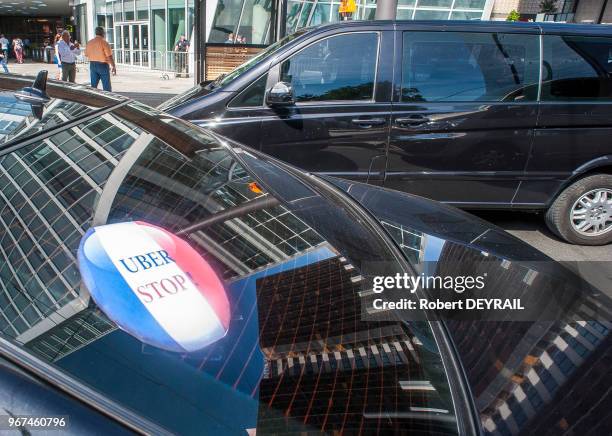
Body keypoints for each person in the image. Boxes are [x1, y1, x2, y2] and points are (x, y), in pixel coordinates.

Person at [85, 26, 116, 92]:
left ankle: (93, 99)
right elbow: (109, 56)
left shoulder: (89, 43)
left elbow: (86, 54)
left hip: (92, 64)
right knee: (106, 86)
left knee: (93, 86)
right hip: (103, 65)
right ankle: (108, 100)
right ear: (103, 33)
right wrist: (113, 66)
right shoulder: (104, 43)